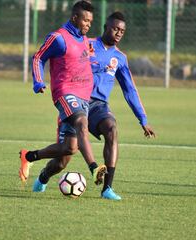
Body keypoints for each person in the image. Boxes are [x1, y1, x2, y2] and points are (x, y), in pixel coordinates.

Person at [30, 11, 156, 200]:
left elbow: (129, 90)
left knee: (112, 129)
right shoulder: (86, 44)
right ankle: (43, 176)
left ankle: (107, 188)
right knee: (64, 157)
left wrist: (143, 119)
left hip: (98, 106)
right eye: (115, 28)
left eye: (122, 30)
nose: (119, 33)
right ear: (106, 27)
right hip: (77, 101)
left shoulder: (120, 58)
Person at [19, 0, 107, 191]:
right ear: (75, 18)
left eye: (91, 21)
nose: (88, 24)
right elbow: (38, 57)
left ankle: (30, 158)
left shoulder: (85, 40)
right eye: (85, 21)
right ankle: (94, 168)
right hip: (65, 93)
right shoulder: (58, 38)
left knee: (67, 152)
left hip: (84, 98)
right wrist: (38, 81)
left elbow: (87, 63)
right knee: (82, 122)